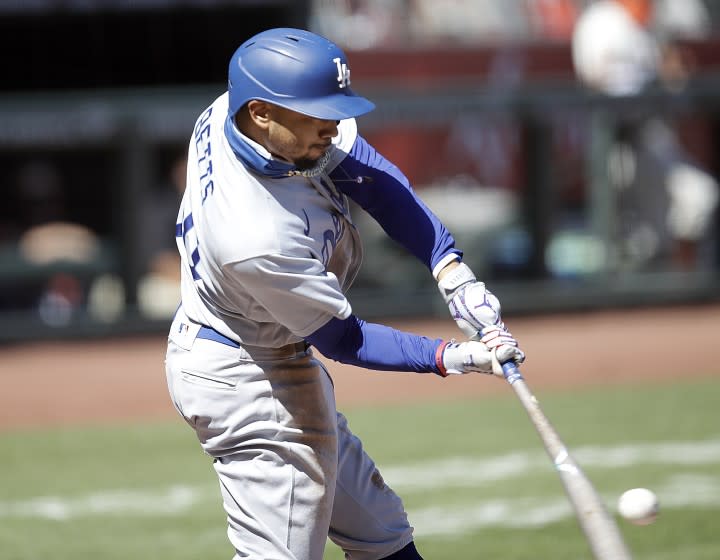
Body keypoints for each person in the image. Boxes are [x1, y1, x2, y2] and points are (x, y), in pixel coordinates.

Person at [164, 28, 525, 560]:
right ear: (262, 112)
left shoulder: (237, 110)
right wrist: (456, 356)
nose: (332, 126)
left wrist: (450, 268)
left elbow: (372, 180)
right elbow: (343, 340)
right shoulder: (254, 236)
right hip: (245, 378)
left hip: (261, 342)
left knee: (381, 532)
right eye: (318, 113)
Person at [571, 0, 720, 271]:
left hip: (648, 134)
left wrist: (671, 73)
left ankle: (683, 287)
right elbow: (593, 79)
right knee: (621, 233)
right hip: (611, 138)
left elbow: (673, 80)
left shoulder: (652, 24)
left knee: (698, 195)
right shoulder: (600, 21)